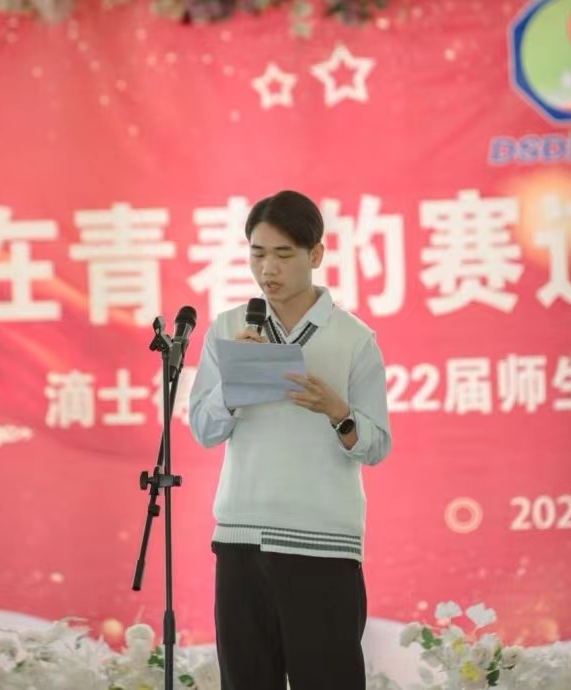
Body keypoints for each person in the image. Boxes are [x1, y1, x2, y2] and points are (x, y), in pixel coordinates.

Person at [187, 189, 392, 690]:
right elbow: (203, 430)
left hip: (323, 544)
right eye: (257, 253)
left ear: (315, 255)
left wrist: (338, 412)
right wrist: (234, 387)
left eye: (283, 254)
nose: (268, 269)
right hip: (241, 538)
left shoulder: (353, 338)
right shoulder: (229, 328)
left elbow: (376, 445)